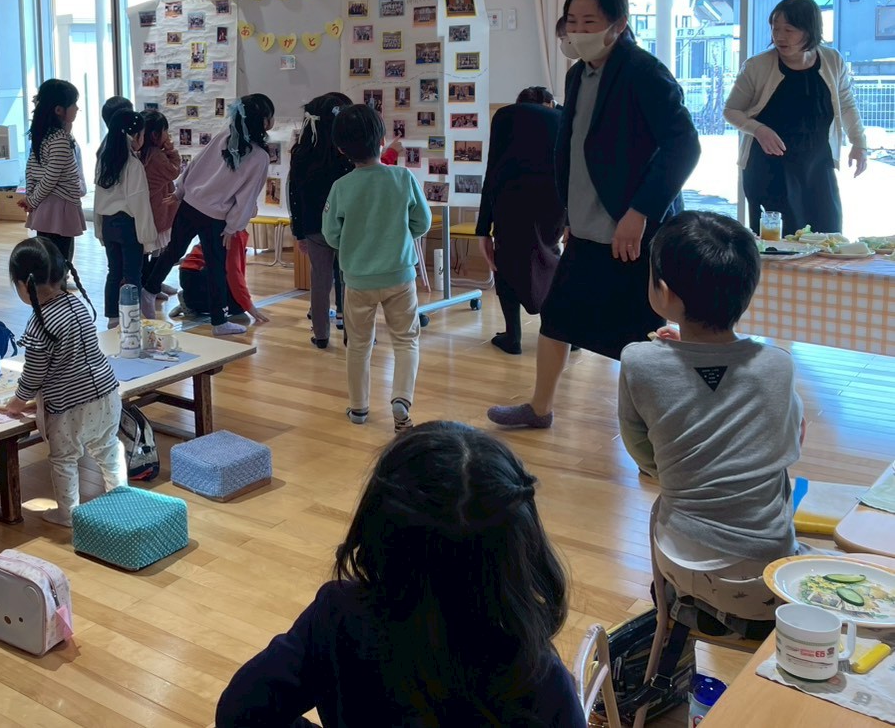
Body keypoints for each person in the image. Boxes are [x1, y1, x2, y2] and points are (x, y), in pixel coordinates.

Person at [214, 422, 584, 728]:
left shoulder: (337, 615)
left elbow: (240, 710)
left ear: (375, 530)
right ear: (522, 549)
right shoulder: (534, 670)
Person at [489, 0, 699, 430]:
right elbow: (577, 149)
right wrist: (571, 212)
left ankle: (664, 427)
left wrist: (640, 212)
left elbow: (684, 146)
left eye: (590, 22)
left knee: (644, 333)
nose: (578, 31)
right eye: (572, 21)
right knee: (557, 316)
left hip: (631, 232)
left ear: (618, 24)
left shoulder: (644, 72)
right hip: (586, 227)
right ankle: (539, 409)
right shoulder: (577, 73)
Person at [619, 211, 803, 627]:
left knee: (666, 505)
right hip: (771, 578)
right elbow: (791, 442)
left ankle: (686, 611)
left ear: (664, 293)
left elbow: (639, 448)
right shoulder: (777, 364)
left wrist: (674, 470)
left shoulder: (639, 362)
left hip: (682, 563)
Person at [323, 104, 431, 431]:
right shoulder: (402, 177)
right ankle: (401, 399)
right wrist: (401, 236)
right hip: (400, 275)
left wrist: (354, 245)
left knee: (358, 344)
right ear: (382, 140)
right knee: (406, 340)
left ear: (341, 149)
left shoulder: (341, 187)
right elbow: (423, 222)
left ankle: (359, 408)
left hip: (357, 280)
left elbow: (331, 234)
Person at [724, 0, 868, 235]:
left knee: (828, 235)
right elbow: (731, 110)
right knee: (778, 244)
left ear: (810, 31)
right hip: (770, 170)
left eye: (789, 30)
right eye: (775, 28)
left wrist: (859, 143)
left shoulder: (832, 60)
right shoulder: (756, 66)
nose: (779, 36)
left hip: (817, 166)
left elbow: (846, 104)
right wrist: (758, 129)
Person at [6, 237, 126, 526]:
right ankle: (121, 496)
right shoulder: (76, 303)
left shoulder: (39, 323)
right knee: (109, 447)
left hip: (70, 406)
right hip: (107, 393)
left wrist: (17, 401)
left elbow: (34, 373)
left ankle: (68, 514)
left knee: (65, 459)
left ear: (23, 285)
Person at [140, 94, 276, 336]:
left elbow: (196, 164)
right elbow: (247, 196)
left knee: (174, 250)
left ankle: (149, 291)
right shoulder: (259, 156)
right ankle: (218, 322)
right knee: (215, 268)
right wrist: (234, 226)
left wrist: (181, 191)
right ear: (264, 122)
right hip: (215, 216)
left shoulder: (225, 136)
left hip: (191, 204)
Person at [475, 87, 566, 355]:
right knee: (551, 258)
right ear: (549, 103)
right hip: (553, 202)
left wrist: (483, 229)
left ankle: (513, 336)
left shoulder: (503, 117)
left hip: (509, 201)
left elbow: (492, 171)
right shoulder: (561, 118)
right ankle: (560, 333)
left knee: (505, 262)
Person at [288, 92, 353, 349]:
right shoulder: (347, 154)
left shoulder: (302, 153)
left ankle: (321, 334)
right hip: (346, 225)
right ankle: (352, 332)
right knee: (349, 280)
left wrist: (298, 232)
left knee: (319, 280)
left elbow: (294, 194)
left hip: (314, 226)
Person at [93, 106, 159, 326]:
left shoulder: (104, 160)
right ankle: (131, 319)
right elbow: (140, 204)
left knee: (114, 272)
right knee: (132, 275)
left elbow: (98, 199)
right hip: (128, 226)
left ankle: (112, 318)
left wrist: (99, 229)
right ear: (136, 136)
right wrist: (148, 239)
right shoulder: (133, 164)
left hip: (108, 224)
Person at [19, 78, 86, 262]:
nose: (77, 108)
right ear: (59, 110)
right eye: (74, 104)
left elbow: (30, 170)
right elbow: (51, 177)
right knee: (60, 260)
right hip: (59, 207)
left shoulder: (42, 136)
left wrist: (31, 198)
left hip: (45, 207)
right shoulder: (60, 140)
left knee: (47, 257)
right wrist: (32, 200)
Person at [174, 231, 269, 326]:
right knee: (238, 306)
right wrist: (248, 305)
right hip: (196, 274)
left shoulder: (227, 228)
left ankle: (191, 298)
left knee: (238, 302)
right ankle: (190, 301)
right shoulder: (235, 234)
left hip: (190, 273)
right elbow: (233, 274)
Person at [138, 108, 181, 248]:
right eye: (166, 131)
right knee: (158, 247)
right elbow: (174, 171)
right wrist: (171, 151)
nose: (168, 135)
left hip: (145, 207)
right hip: (158, 208)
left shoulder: (140, 152)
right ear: (155, 135)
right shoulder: (156, 156)